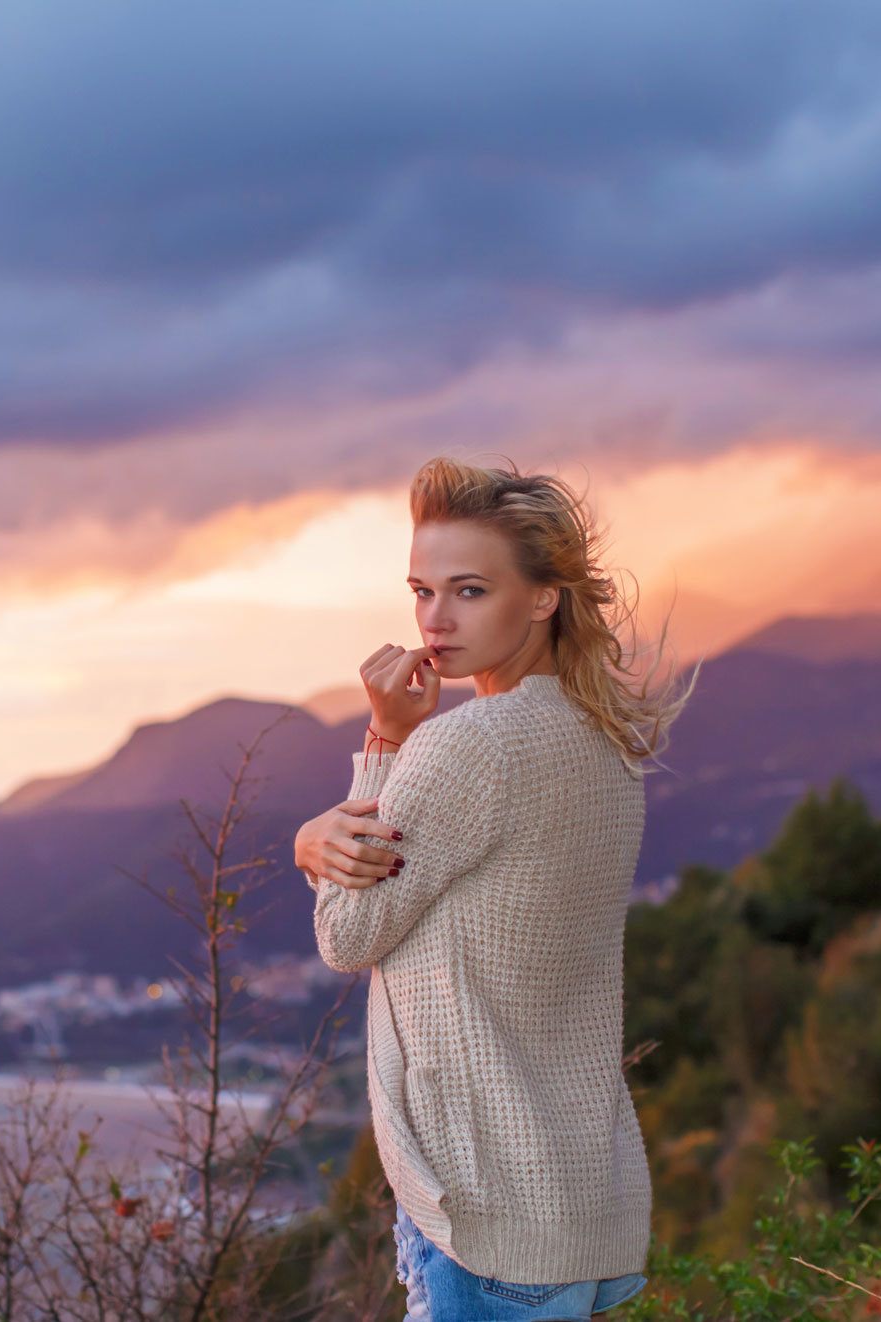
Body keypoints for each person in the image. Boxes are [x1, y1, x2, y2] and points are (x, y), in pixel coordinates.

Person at [293, 455, 699, 1321]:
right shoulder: (602, 742)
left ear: (543, 597)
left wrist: (373, 754)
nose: (434, 620)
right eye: (421, 590)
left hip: (484, 1225)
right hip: (575, 1208)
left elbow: (346, 935)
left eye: (469, 591)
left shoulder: (466, 746)